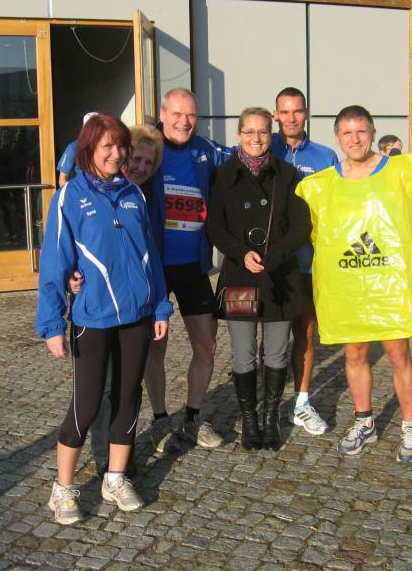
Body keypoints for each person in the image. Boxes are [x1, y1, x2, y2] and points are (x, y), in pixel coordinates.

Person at [36, 114, 172, 524]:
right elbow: (55, 262)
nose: (116, 154)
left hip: (136, 316)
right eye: (107, 147)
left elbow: (150, 256)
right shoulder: (69, 196)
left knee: (128, 397)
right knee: (87, 404)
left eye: (121, 147)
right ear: (89, 149)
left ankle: (115, 478)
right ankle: (63, 489)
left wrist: (160, 306)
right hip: (92, 317)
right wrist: (52, 324)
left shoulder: (134, 194)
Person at [295, 106, 412, 460]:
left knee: (398, 353)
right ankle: (365, 422)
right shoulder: (324, 184)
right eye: (347, 133)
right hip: (349, 286)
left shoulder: (399, 172)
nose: (355, 139)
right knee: (355, 353)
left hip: (389, 285)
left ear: (373, 133)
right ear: (337, 138)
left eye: (361, 131)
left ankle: (410, 427)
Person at [207, 107, 311, 450]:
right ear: (239, 134)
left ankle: (270, 418)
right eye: (249, 131)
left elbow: (301, 225)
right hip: (240, 275)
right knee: (243, 354)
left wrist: (275, 254)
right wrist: (241, 253)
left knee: (277, 354)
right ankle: (249, 419)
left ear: (272, 134)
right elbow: (215, 227)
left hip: (280, 276)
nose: (256, 138)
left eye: (263, 131)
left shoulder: (288, 174)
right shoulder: (223, 175)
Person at [144, 88, 232, 449]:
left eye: (191, 115)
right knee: (155, 348)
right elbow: (97, 148)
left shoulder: (206, 150)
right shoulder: (147, 146)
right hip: (155, 268)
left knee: (206, 345)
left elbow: (248, 153)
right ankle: (160, 419)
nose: (184, 121)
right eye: (177, 114)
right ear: (162, 114)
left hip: (193, 266)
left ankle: (194, 418)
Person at [83, 124, 166, 472]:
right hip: (100, 304)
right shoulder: (92, 191)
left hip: (136, 305)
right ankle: (104, 456)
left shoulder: (146, 197)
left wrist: (159, 305)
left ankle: (122, 454)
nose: (140, 167)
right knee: (102, 386)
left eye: (149, 163)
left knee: (128, 385)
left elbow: (152, 254)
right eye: (136, 159)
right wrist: (74, 276)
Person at [270, 87, 339, 436]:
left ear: (306, 113)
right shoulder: (264, 148)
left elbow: (341, 206)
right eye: (284, 112)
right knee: (269, 338)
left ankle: (301, 403)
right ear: (275, 115)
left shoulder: (325, 156)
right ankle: (266, 404)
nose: (291, 118)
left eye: (297, 111)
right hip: (270, 263)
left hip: (310, 262)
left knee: (305, 334)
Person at [57, 111, 99, 187]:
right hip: (82, 191)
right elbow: (62, 179)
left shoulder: (108, 147)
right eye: (91, 127)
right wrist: (72, 193)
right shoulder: (74, 147)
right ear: (84, 128)